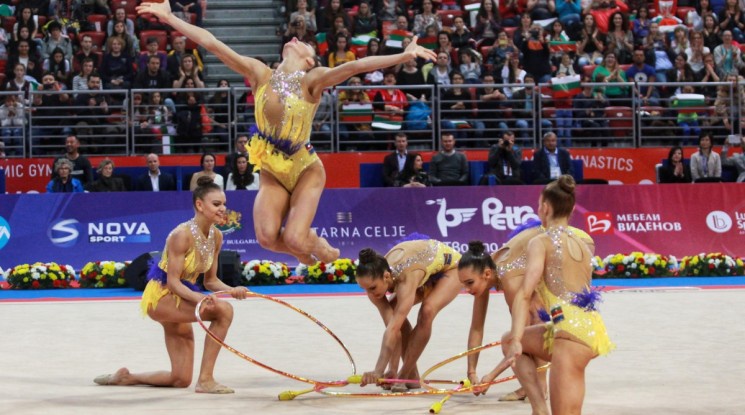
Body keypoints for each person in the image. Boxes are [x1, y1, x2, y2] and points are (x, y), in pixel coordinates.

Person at [138, 0, 436, 264]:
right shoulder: (260, 74)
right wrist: (170, 18)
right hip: (272, 169)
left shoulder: (311, 79)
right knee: (266, 238)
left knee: (294, 237)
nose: (295, 37)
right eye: (293, 37)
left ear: (310, 60)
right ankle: (305, 249)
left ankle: (319, 246)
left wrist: (402, 56)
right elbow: (212, 43)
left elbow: (355, 66)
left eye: (303, 42)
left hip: (305, 167)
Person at [93, 176, 250, 393]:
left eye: (224, 203)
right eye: (216, 204)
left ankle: (125, 378)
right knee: (224, 311)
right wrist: (200, 298)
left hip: (184, 297)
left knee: (180, 379)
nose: (223, 208)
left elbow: (210, 280)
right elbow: (173, 282)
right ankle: (206, 380)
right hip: (162, 297)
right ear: (199, 205)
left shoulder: (216, 236)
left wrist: (233, 290)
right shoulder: (181, 235)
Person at [483, 175, 613, 415]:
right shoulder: (583, 241)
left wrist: (518, 339)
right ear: (571, 209)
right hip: (590, 330)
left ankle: (540, 409)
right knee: (507, 339)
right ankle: (539, 408)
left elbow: (524, 293)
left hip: (570, 336)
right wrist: (514, 339)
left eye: (538, 205)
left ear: (544, 207)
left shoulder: (541, 242)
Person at [356, 239, 462, 391]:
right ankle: (411, 377)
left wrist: (378, 370)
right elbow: (393, 329)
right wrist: (391, 369)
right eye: (364, 289)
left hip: (452, 269)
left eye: (372, 288)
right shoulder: (375, 281)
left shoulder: (406, 278)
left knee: (427, 311)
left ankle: (404, 374)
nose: (370, 294)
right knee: (395, 313)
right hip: (423, 271)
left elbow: (393, 329)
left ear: (386, 277)